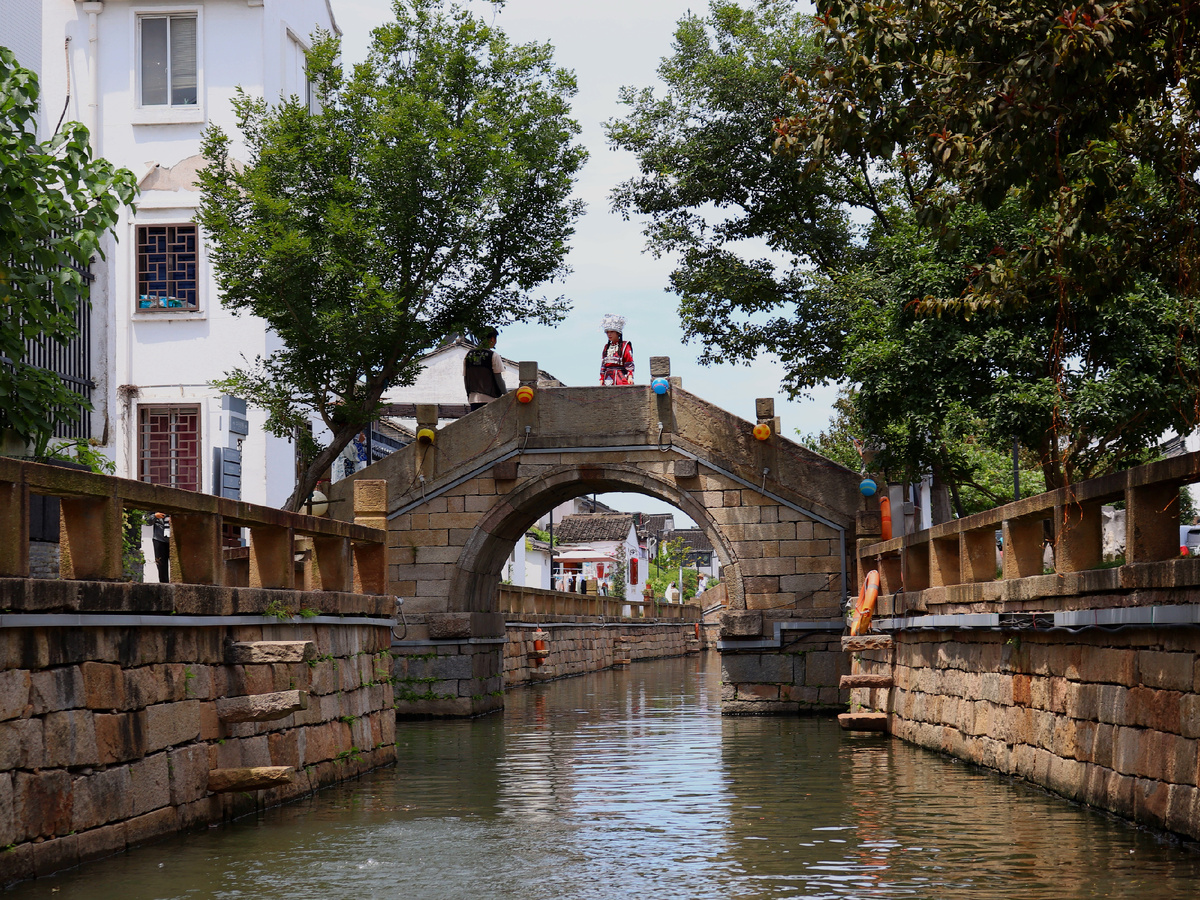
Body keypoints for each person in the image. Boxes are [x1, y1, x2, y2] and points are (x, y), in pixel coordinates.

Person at [463, 327, 506, 410]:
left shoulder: (468, 355)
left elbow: (466, 378)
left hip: (473, 399)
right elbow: (498, 379)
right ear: (492, 339)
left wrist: (468, 395)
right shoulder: (493, 355)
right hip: (490, 399)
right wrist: (506, 394)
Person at [599, 314, 634, 385]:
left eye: (611, 332)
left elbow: (629, 363)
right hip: (607, 379)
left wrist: (630, 377)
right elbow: (603, 366)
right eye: (607, 332)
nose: (609, 334)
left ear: (618, 333)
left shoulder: (625, 346)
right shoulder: (606, 347)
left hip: (620, 378)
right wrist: (602, 378)